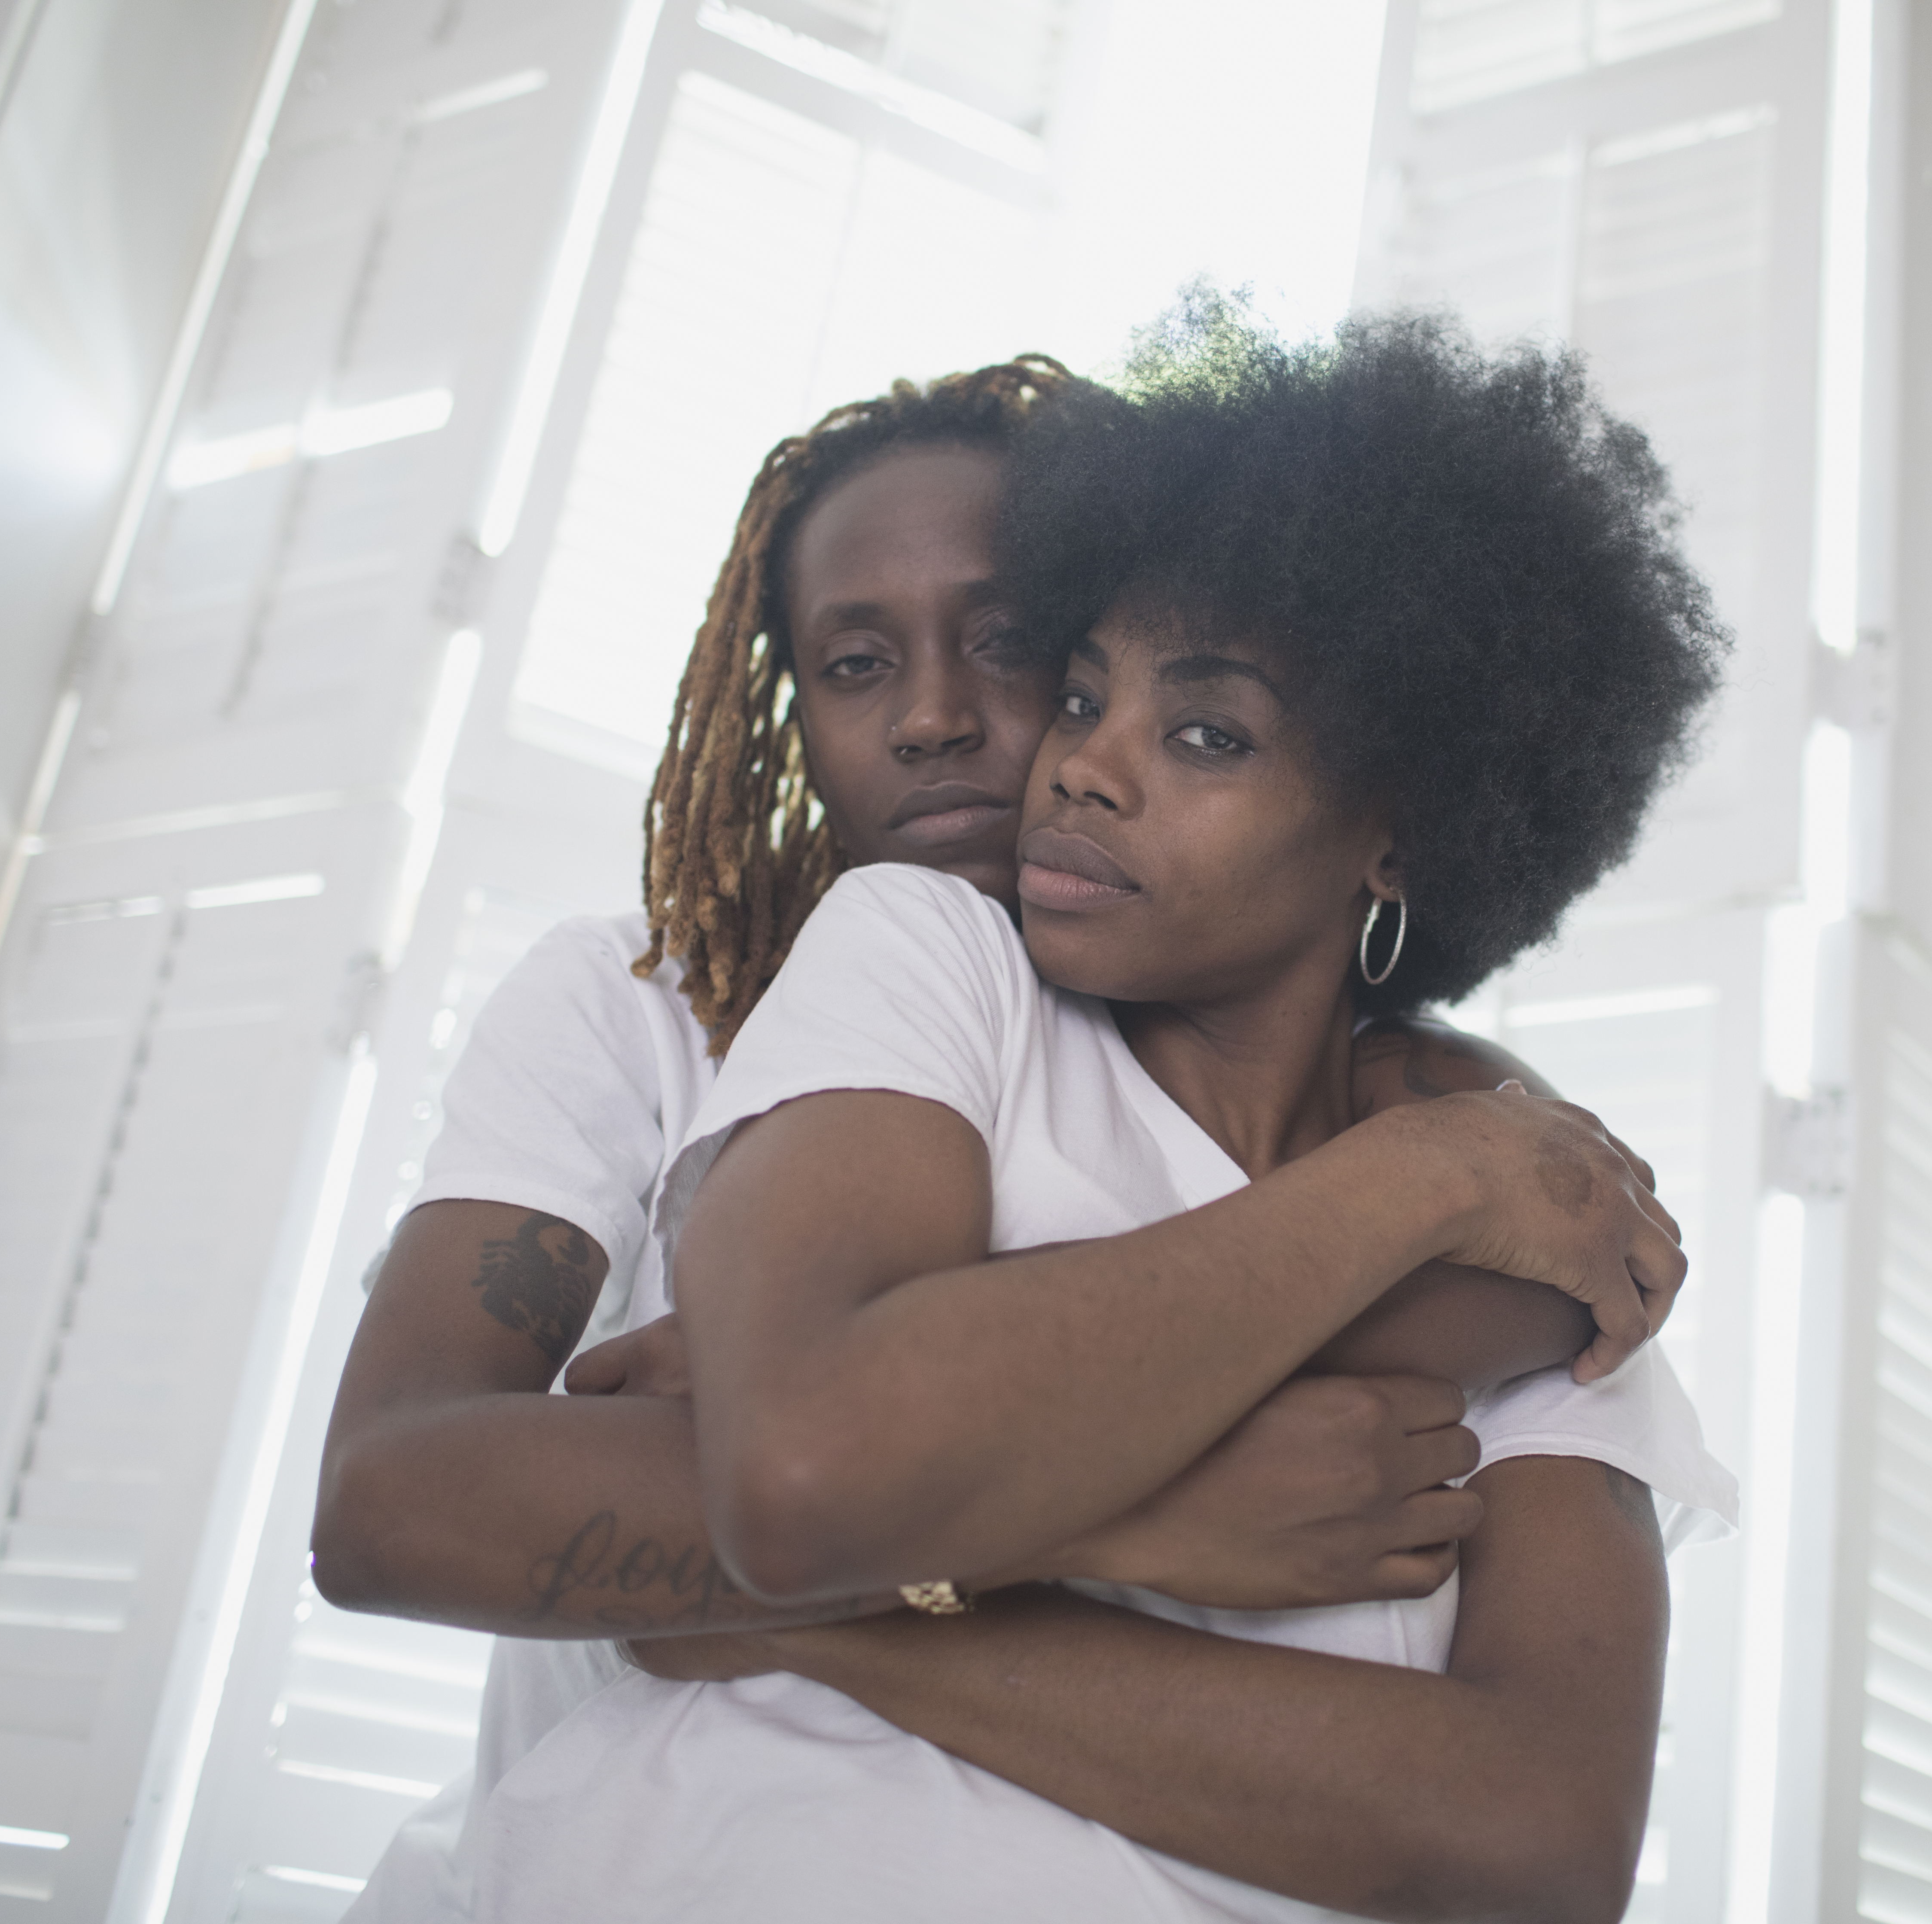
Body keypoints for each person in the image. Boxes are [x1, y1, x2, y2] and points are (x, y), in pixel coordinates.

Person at [348, 304, 1736, 1922]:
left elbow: (1535, 1840)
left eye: (1012, 646)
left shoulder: (1490, 1162)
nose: (950, 720)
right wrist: (1140, 1509)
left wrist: (822, 1571)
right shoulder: (759, 984)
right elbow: (430, 1498)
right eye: (857, 664)